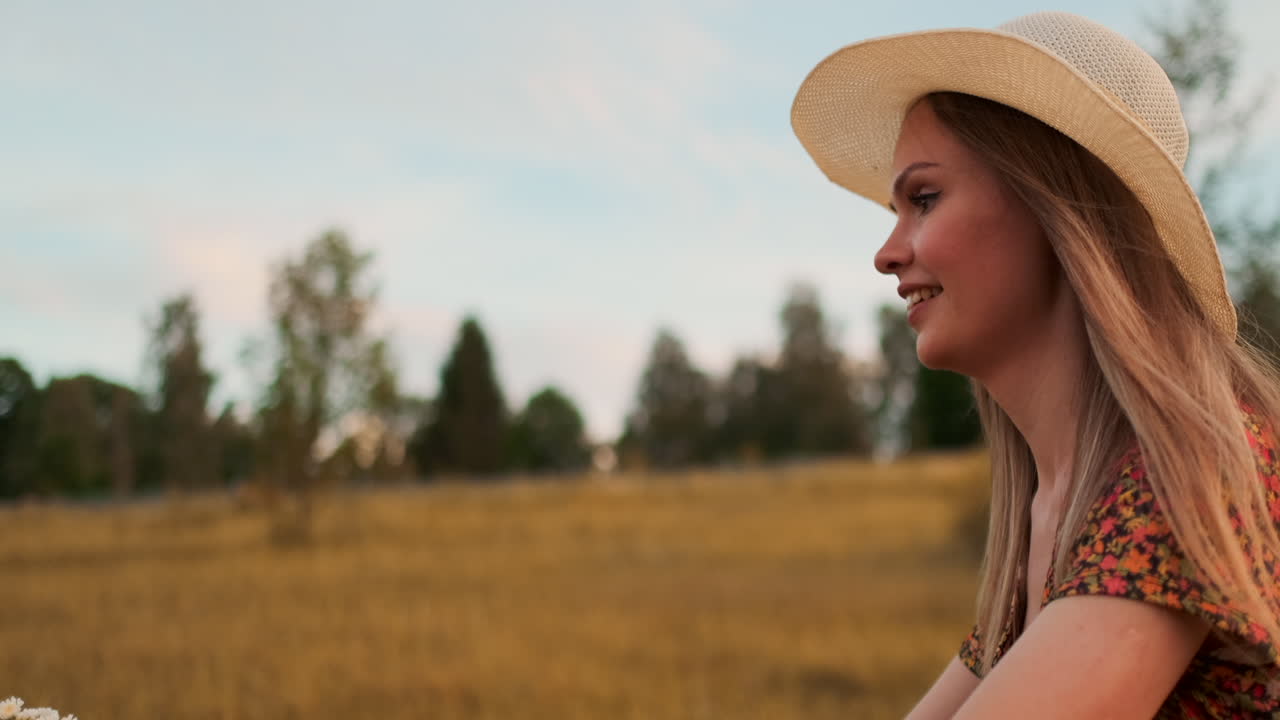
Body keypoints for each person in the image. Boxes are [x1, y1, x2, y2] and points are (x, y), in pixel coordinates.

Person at [791, 11, 1280, 719]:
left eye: (923, 199)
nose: (887, 252)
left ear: (1052, 208)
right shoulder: (1052, 507)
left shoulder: (1184, 476)